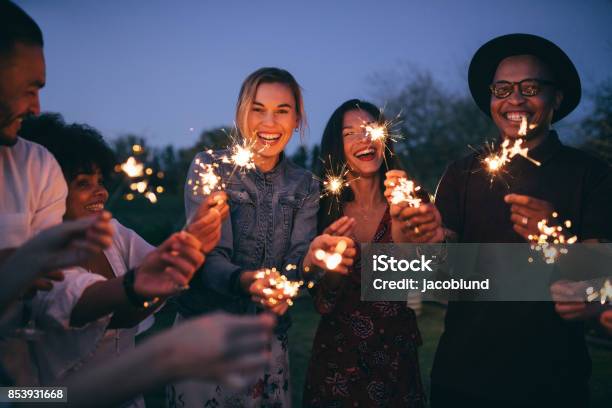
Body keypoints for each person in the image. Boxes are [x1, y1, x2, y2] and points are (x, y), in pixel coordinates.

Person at [430, 33, 612, 408]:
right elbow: (436, 274)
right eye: (502, 89)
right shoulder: (462, 173)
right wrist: (421, 238)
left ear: (556, 98)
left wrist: (559, 239)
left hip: (553, 384)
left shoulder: (591, 174)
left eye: (530, 88)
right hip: (462, 379)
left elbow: (604, 280)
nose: (515, 99)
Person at [172, 67, 354, 407]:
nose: (269, 123)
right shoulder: (211, 168)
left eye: (282, 111)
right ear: (241, 112)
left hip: (267, 344)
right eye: (258, 109)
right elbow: (208, 258)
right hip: (207, 337)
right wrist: (246, 281)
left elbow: (295, 268)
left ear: (297, 119)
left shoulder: (306, 186)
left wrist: (312, 261)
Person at [17, 113, 222, 407]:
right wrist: (137, 284)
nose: (100, 191)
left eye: (100, 180)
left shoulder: (110, 232)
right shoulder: (33, 253)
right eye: (83, 183)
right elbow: (93, 306)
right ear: (46, 191)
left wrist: (194, 241)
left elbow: (156, 270)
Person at [302, 99, 442, 407]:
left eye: (370, 129)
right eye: (349, 133)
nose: (363, 139)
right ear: (336, 147)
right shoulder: (322, 208)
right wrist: (334, 269)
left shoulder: (409, 198)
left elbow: (419, 275)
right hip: (338, 360)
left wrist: (406, 222)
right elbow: (321, 299)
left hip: (396, 358)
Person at [0, 0, 70, 385]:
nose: (37, 108)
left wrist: (133, 288)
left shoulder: (37, 166)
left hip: (22, 390)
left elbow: (53, 289)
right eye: (29, 89)